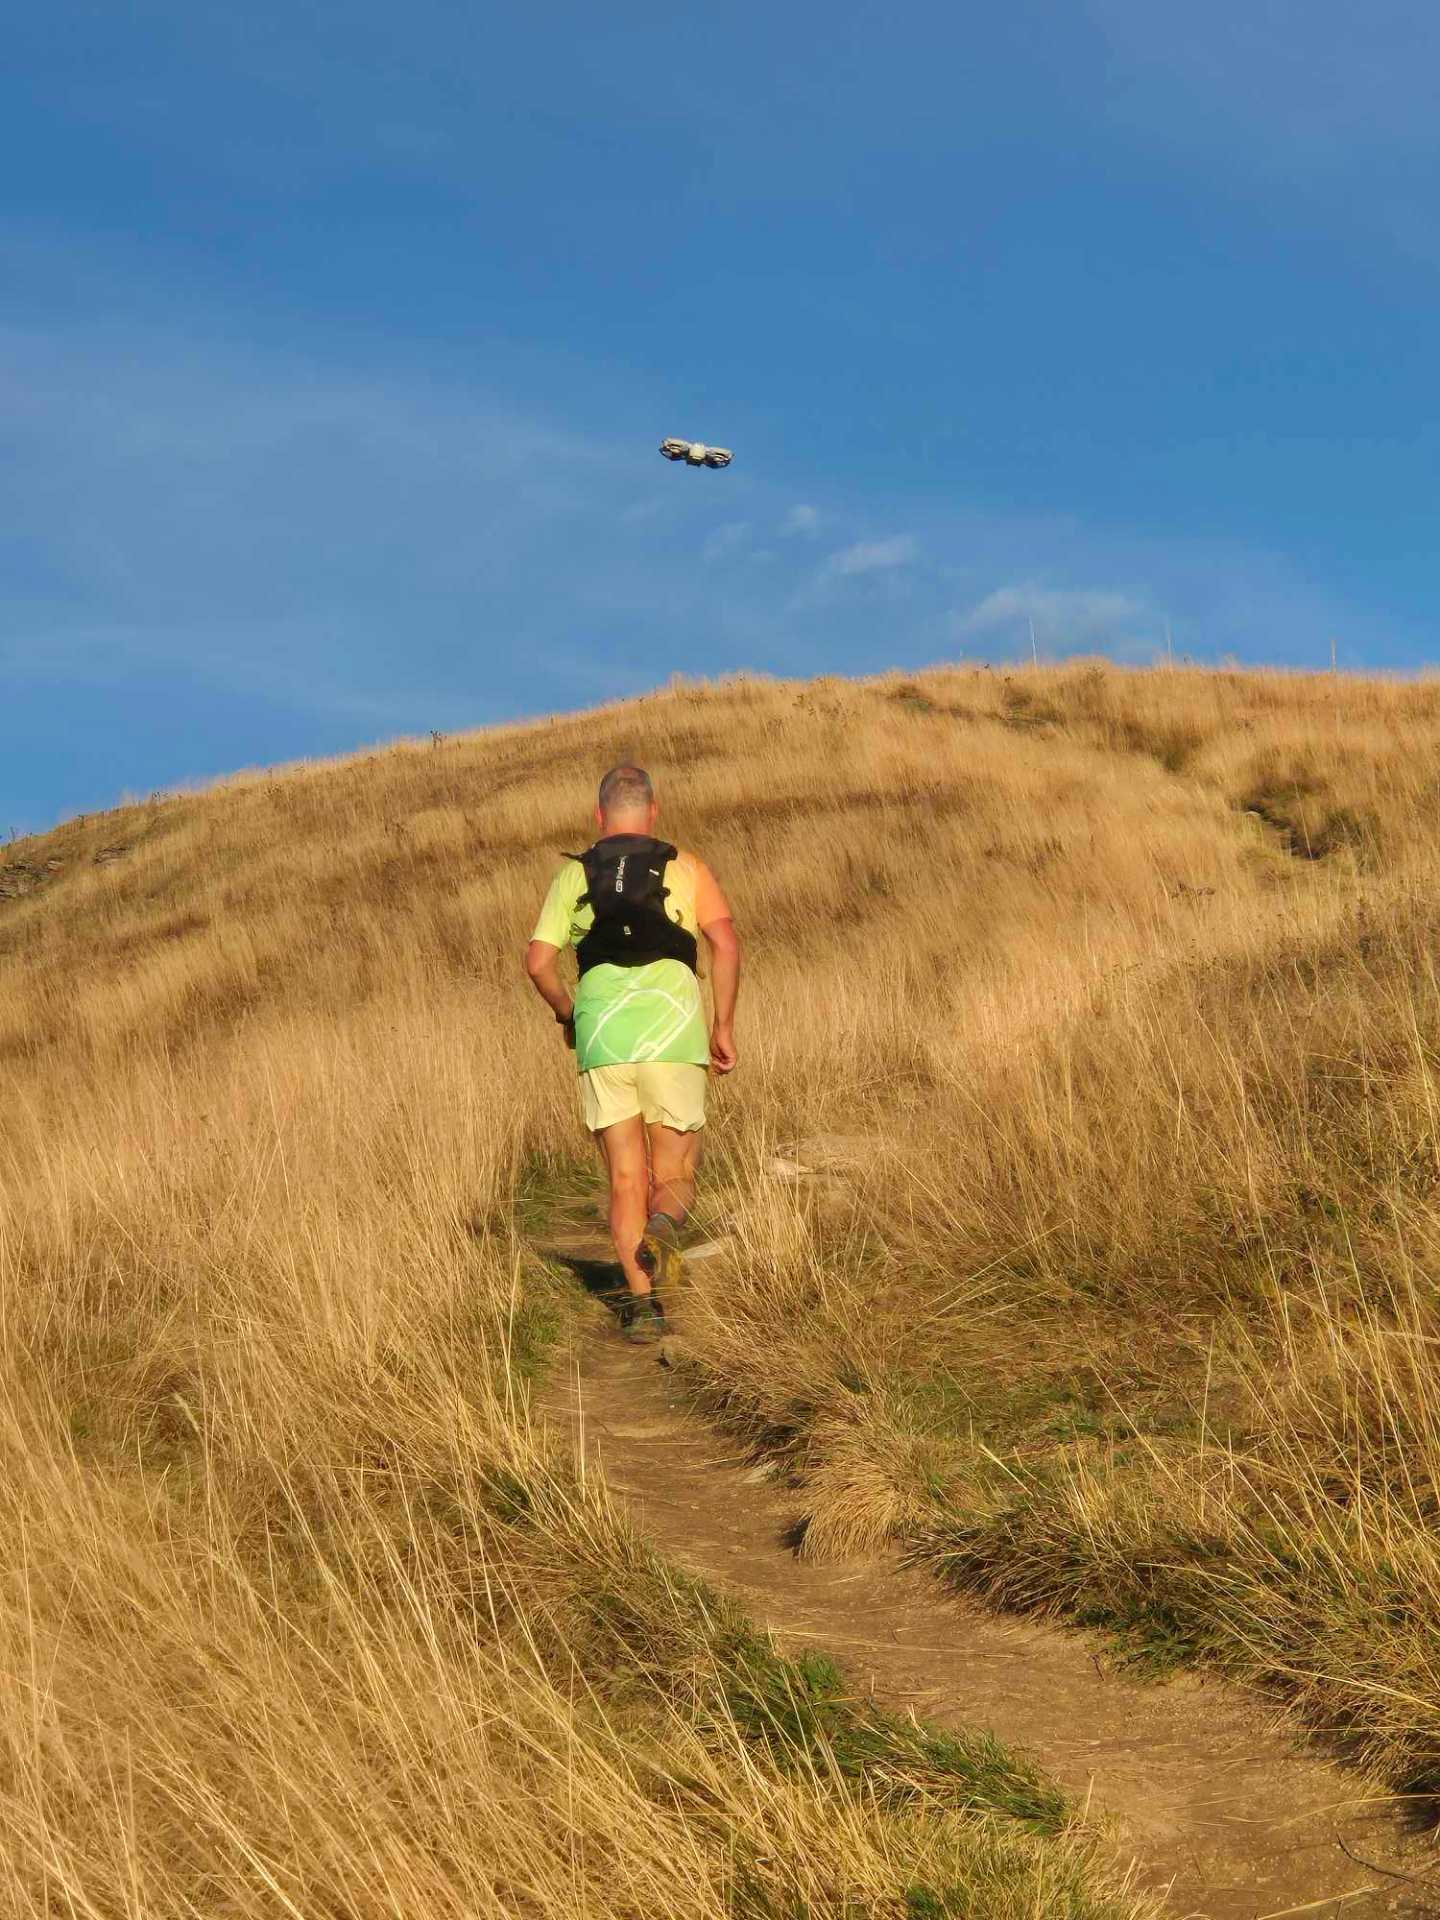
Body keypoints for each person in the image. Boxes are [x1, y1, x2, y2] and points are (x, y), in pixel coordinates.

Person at [525, 764, 741, 1340]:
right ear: (653, 810)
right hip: (673, 1035)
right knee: (673, 1172)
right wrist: (723, 1024)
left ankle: (644, 1309)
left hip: (603, 1038)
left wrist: (568, 1014)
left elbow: (538, 963)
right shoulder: (686, 866)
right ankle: (665, 1226)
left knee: (625, 1178)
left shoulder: (573, 877)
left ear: (599, 817)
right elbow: (725, 942)